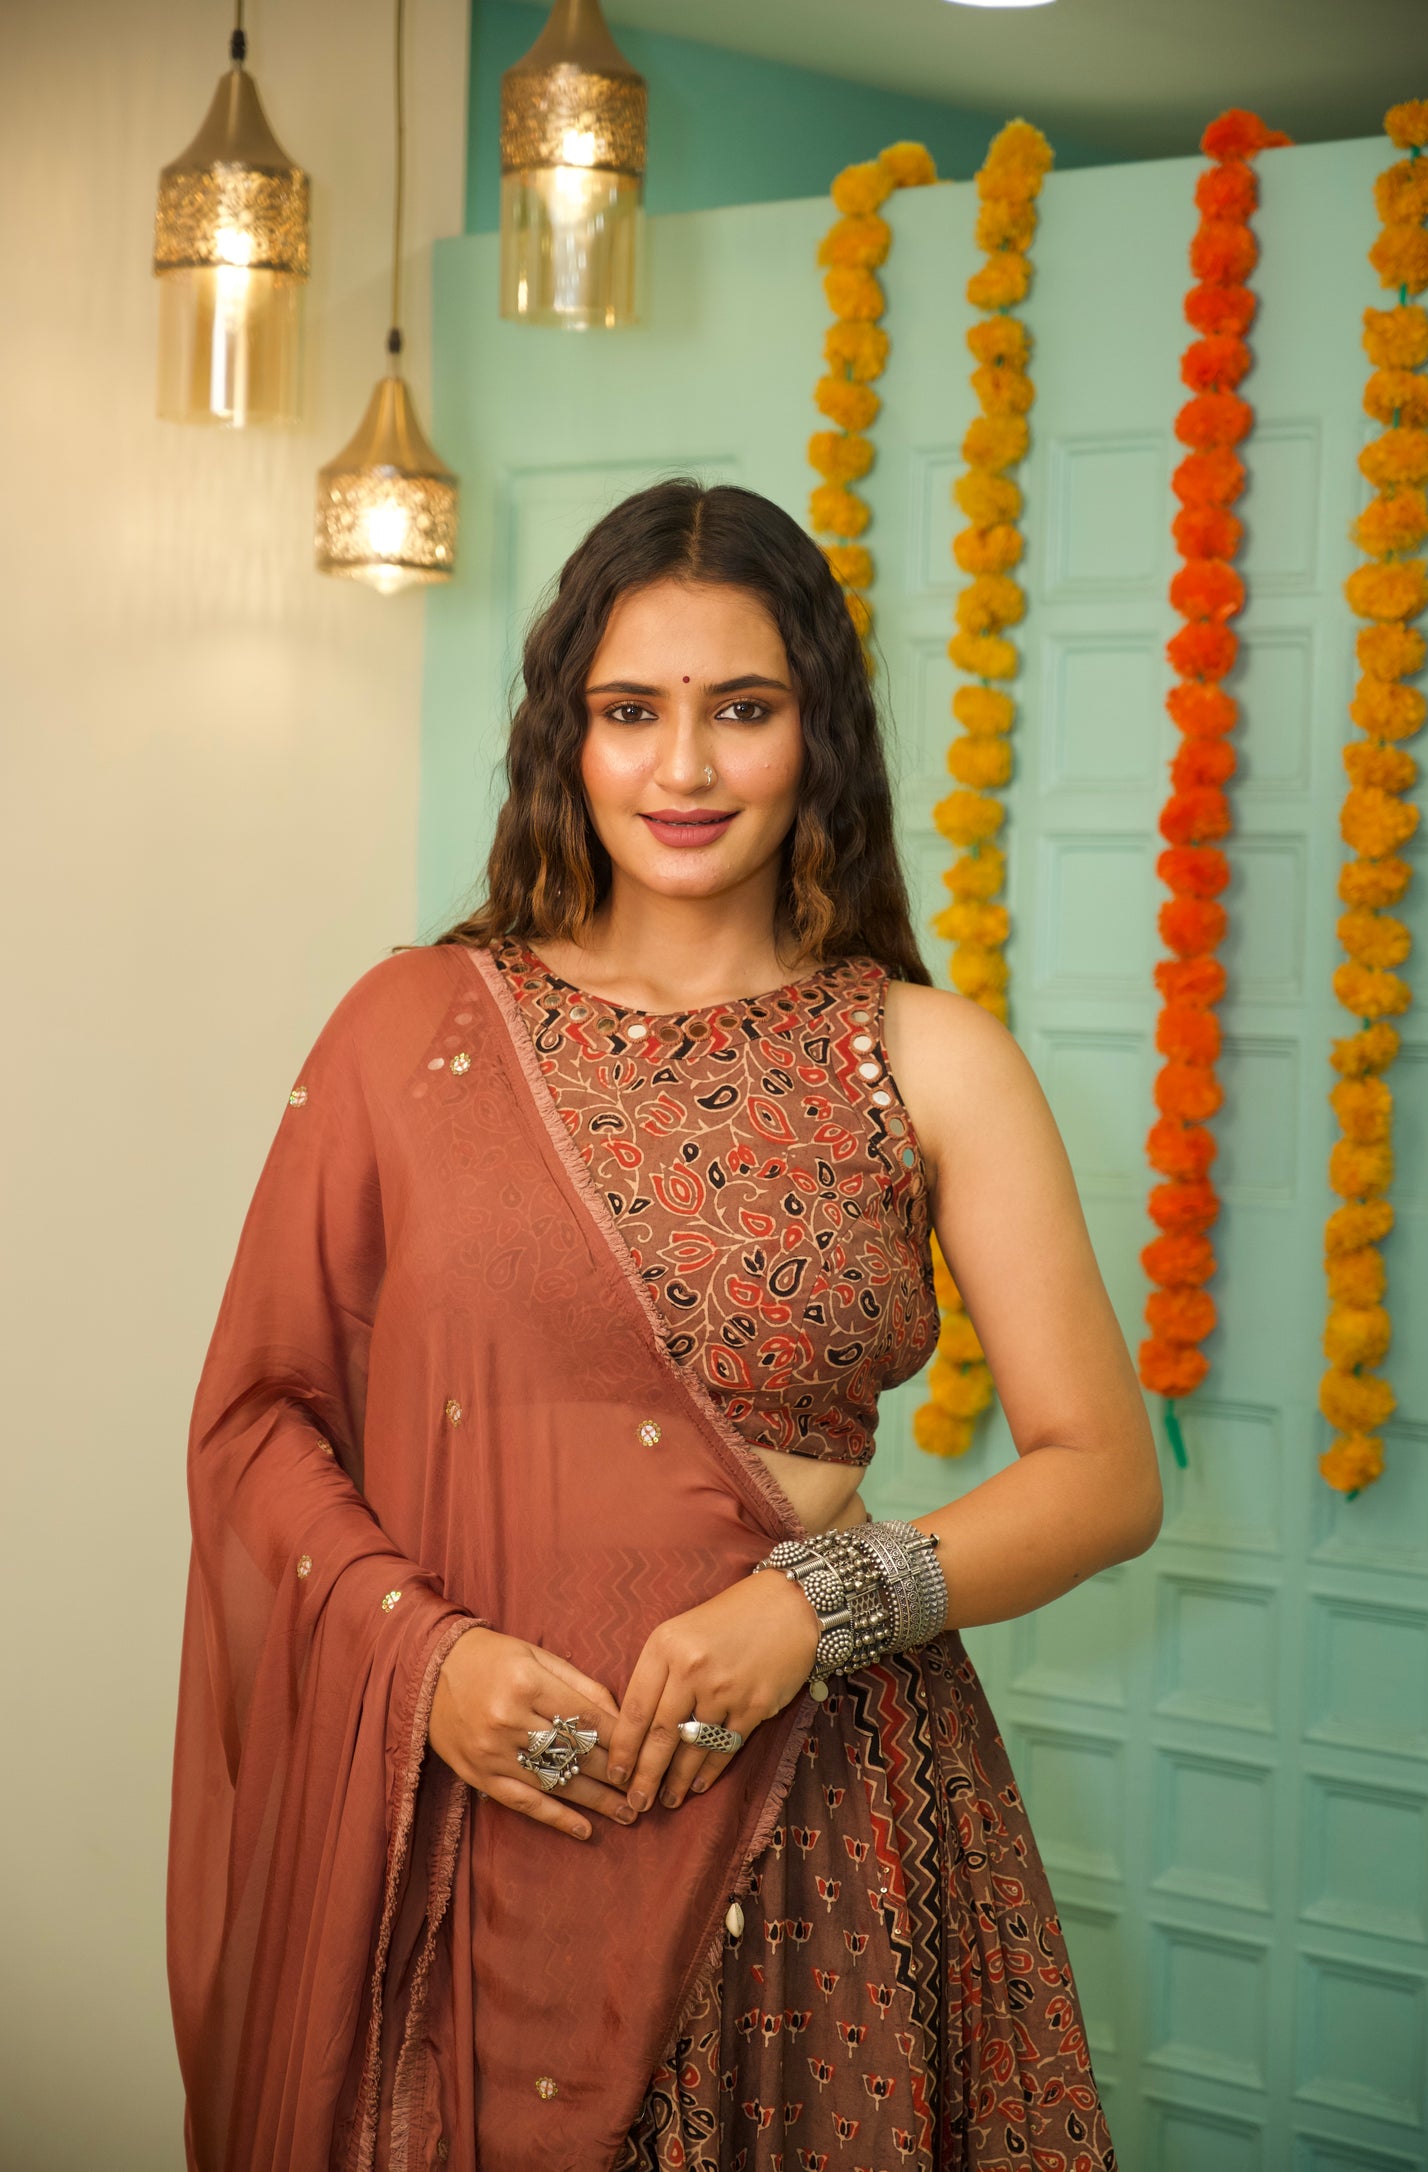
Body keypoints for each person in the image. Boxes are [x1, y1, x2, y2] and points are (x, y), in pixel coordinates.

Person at [169, 478, 1161, 2172]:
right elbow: (262, 1421)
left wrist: (809, 1606)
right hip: (471, 1818)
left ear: (817, 734)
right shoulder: (413, 1027)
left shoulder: (926, 1057)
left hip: (807, 1826)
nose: (683, 769)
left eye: (742, 710)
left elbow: (1101, 1476)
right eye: (629, 711)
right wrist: (427, 1664)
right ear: (564, 735)